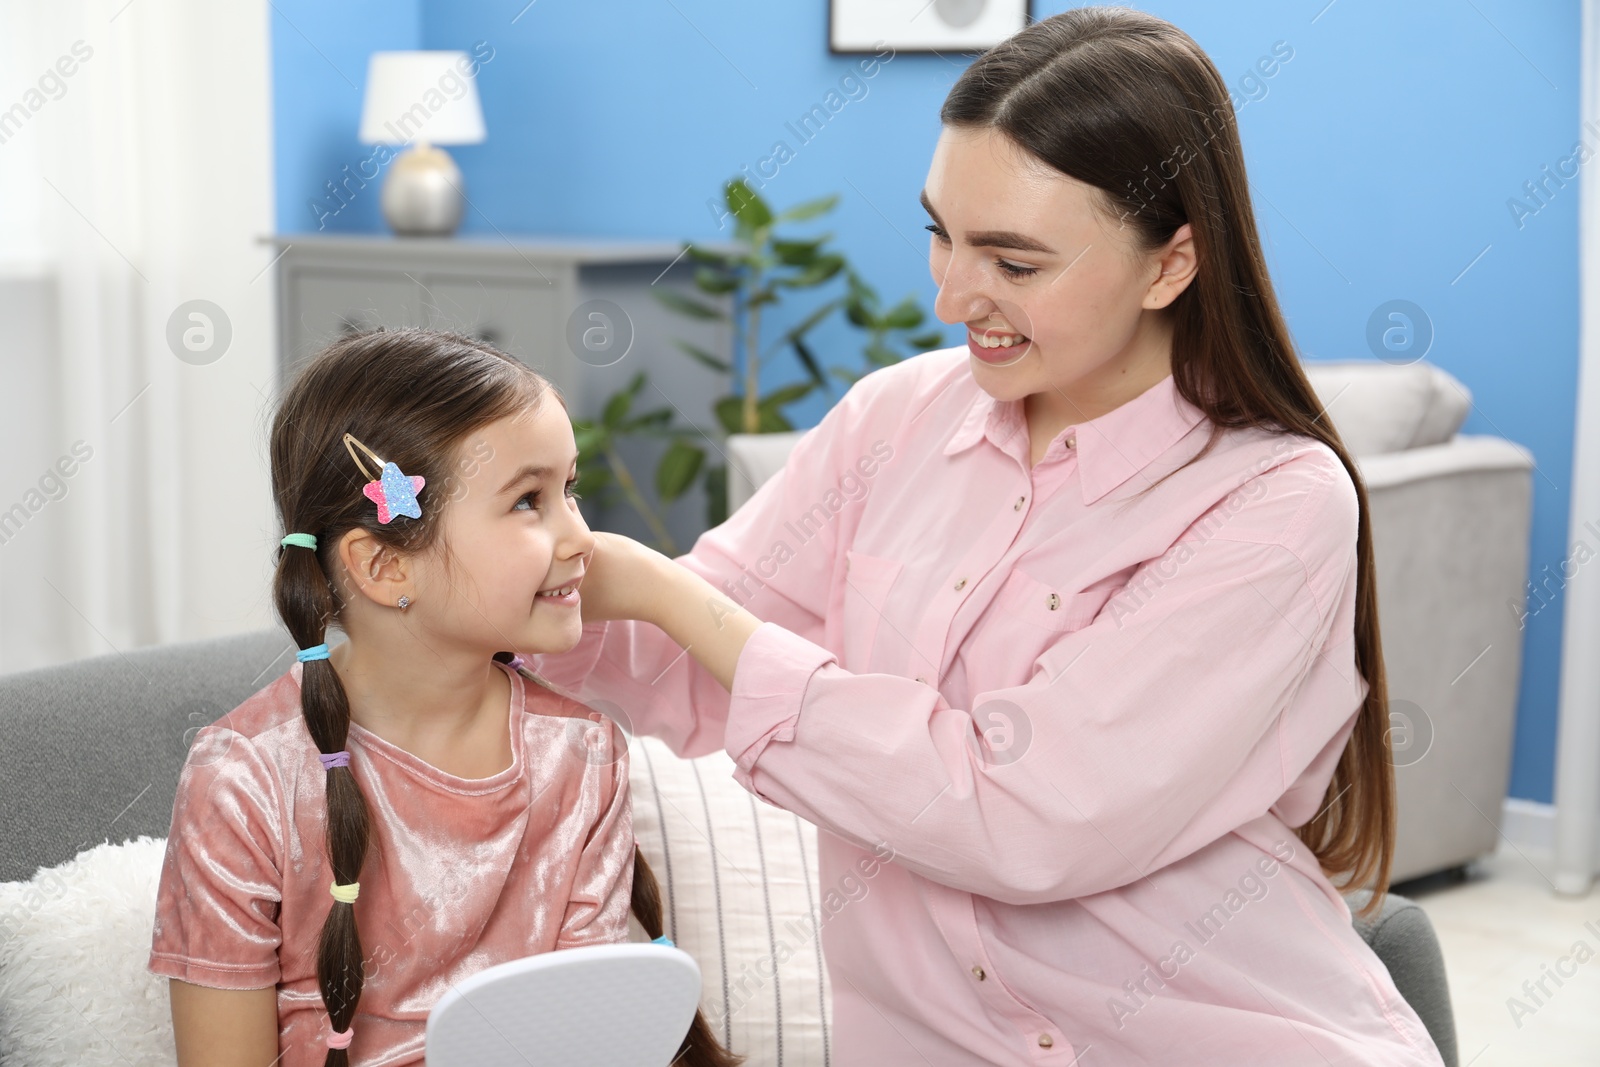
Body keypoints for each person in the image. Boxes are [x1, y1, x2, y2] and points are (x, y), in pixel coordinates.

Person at [525, 8, 1447, 1065]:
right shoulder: (895, 418)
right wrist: (509, 583)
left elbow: (1018, 814)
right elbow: (682, 668)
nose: (953, 293)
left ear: (1170, 264)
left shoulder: (1274, 504)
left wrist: (667, 592)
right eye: (940, 233)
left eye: (1013, 261)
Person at [147, 330, 739, 1067]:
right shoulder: (242, 781)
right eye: (528, 500)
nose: (583, 536)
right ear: (386, 566)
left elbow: (590, 1042)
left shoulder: (583, 752)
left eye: (570, 490)